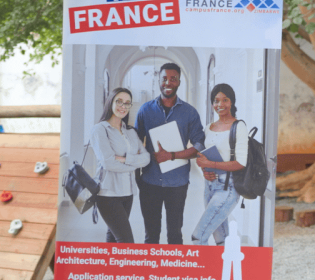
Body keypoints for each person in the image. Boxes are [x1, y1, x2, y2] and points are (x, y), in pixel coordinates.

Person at [136, 63, 205, 245]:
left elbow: (199, 145)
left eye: (173, 79)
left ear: (179, 82)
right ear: (159, 81)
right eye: (164, 78)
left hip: (177, 183)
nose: (168, 82)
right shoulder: (145, 110)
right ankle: (151, 273)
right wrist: (139, 176)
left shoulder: (190, 112)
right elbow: (135, 143)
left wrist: (172, 156)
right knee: (151, 236)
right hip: (150, 181)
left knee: (175, 235)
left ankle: (173, 273)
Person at [89, 88, 150, 244]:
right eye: (119, 102)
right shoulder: (100, 130)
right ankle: (125, 269)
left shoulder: (130, 132)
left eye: (127, 103)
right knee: (126, 241)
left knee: (113, 236)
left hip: (127, 192)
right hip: (107, 193)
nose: (123, 106)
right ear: (111, 102)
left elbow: (146, 158)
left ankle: (109, 268)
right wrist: (134, 164)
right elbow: (108, 163)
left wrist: (124, 159)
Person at [191, 84, 247, 245]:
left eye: (225, 100)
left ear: (231, 102)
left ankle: (203, 270)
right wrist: (204, 169)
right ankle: (222, 270)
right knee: (221, 239)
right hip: (209, 187)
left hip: (227, 188)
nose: (220, 104)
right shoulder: (209, 127)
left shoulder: (239, 126)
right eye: (216, 101)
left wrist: (211, 164)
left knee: (198, 237)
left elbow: (240, 163)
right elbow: (202, 155)